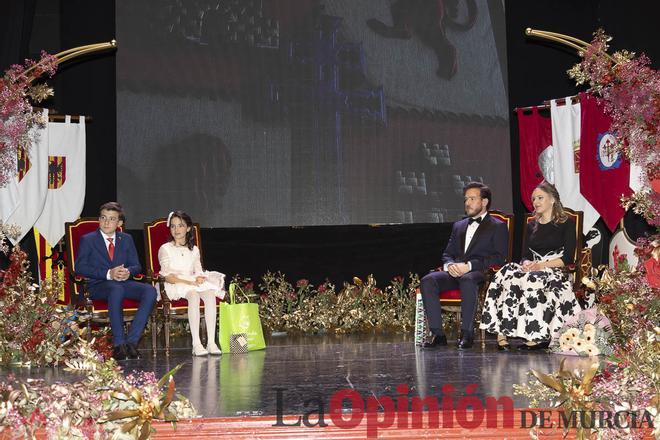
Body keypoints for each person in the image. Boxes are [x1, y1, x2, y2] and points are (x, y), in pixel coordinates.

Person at [479, 181, 582, 351]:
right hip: (533, 267)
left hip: (555, 270)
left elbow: (567, 258)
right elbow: (525, 255)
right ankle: (502, 332)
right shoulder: (531, 225)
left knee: (533, 280)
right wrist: (526, 263)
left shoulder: (567, 224)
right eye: (534, 199)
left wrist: (540, 266)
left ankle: (536, 336)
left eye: (540, 198)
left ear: (553, 200)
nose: (536, 202)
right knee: (507, 273)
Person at [421, 182, 509, 349]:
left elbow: (500, 258)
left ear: (484, 202)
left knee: (468, 280)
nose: (467, 202)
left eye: (472, 198)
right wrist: (450, 265)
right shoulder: (459, 226)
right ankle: (437, 334)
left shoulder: (498, 226)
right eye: (466, 199)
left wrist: (469, 266)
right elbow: (447, 253)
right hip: (456, 272)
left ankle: (467, 333)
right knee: (428, 280)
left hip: (480, 273)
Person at [75, 202, 157, 360]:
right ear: (99, 220)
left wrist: (128, 272)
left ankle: (131, 342)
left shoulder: (126, 239)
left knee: (150, 290)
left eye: (112, 219)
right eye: (103, 218)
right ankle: (119, 344)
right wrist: (108, 274)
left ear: (119, 223)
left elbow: (136, 266)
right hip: (97, 286)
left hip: (122, 283)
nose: (106, 222)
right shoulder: (88, 239)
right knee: (115, 288)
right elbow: (80, 267)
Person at [158, 210, 225, 356]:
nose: (176, 230)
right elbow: (167, 276)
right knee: (194, 295)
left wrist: (200, 277)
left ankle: (211, 342)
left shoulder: (194, 249)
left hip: (191, 281)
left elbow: (198, 270)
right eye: (173, 226)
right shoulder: (165, 248)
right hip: (175, 284)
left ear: (188, 228)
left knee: (209, 294)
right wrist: (190, 281)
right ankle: (196, 343)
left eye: (180, 226)